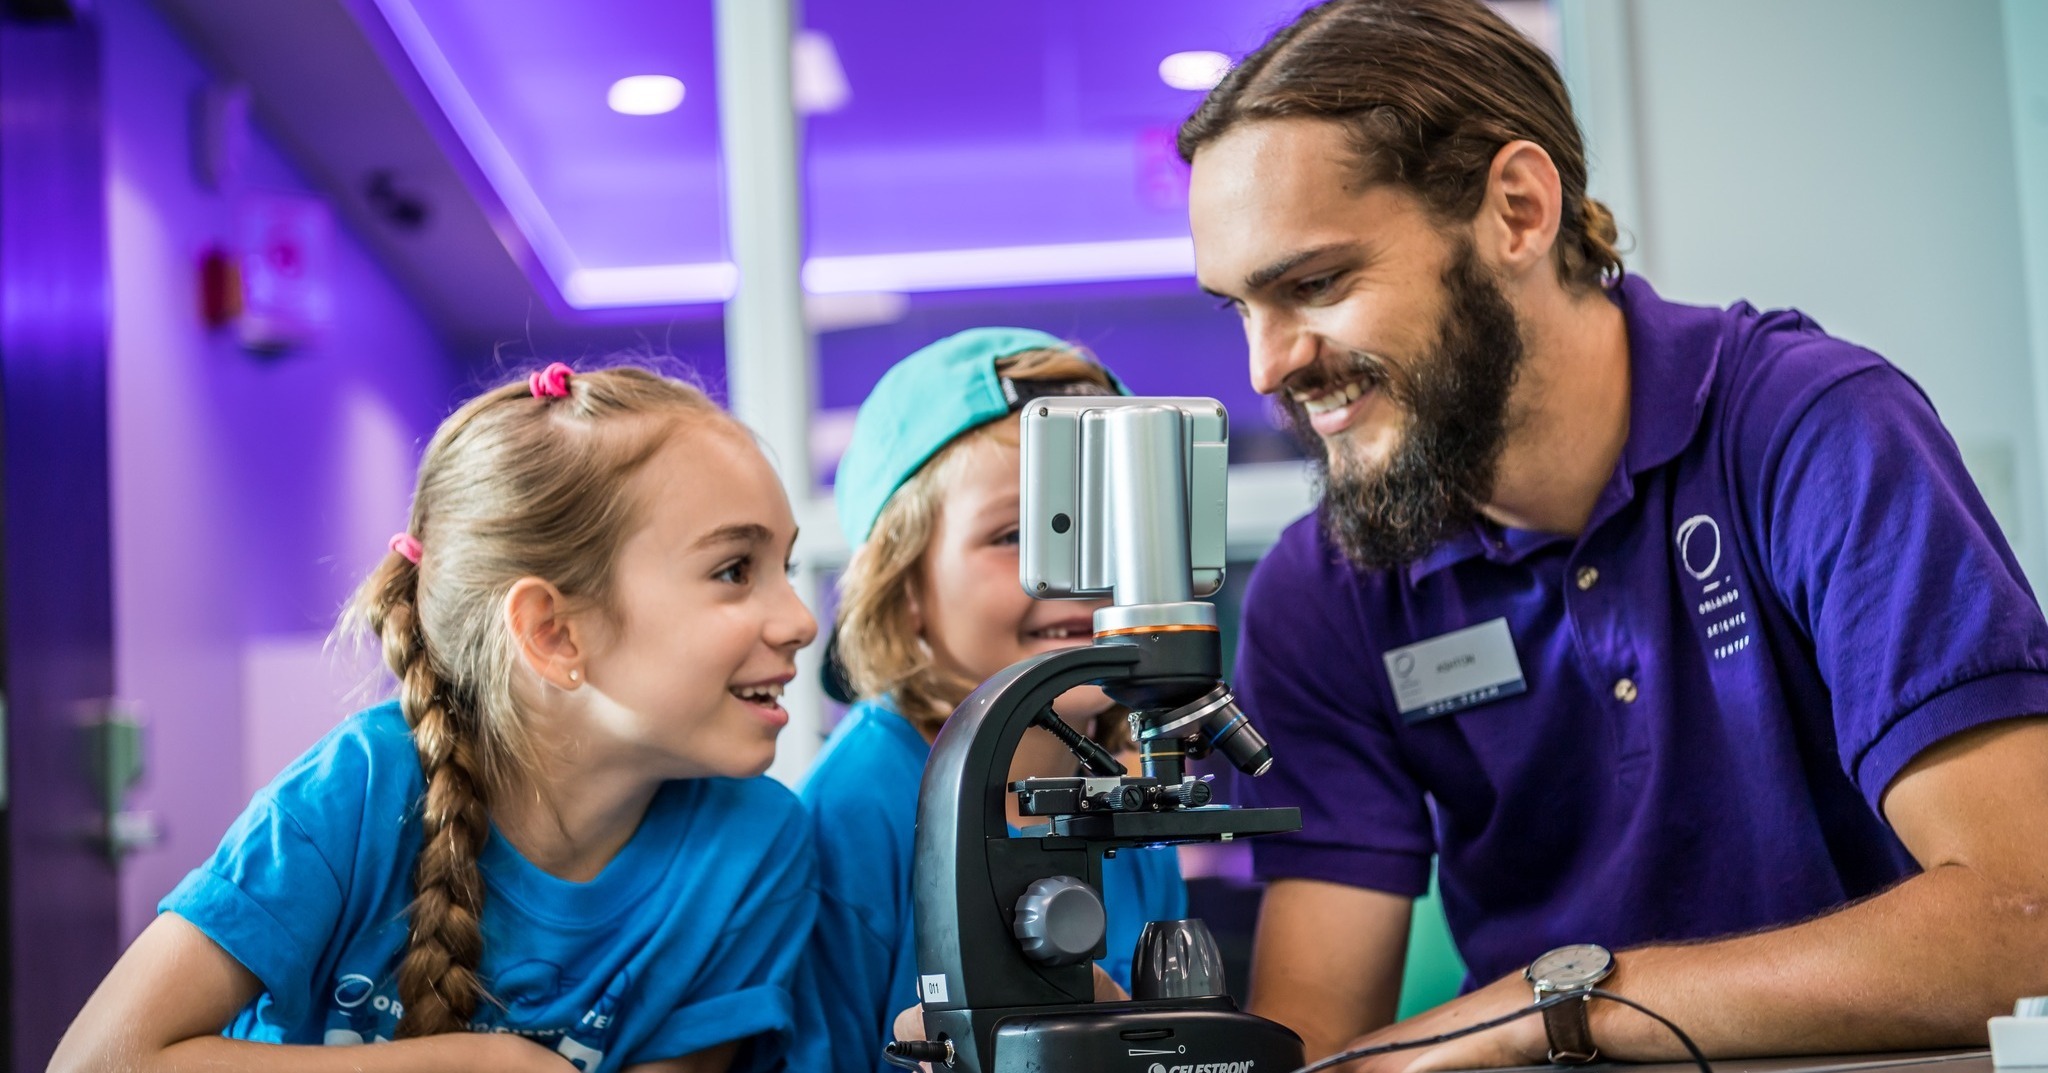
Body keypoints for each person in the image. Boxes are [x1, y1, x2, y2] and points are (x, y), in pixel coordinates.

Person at [1178, 0, 2048, 1069]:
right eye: (1238, 308)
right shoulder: (1324, 587)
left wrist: (1568, 1000)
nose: (1267, 366)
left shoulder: (1810, 433)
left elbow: (2023, 923)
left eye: (1313, 284)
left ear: (1516, 209)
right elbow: (1323, 1044)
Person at [50, 363, 821, 1073]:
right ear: (552, 633)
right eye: (732, 570)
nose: (800, 620)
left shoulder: (759, 849)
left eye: (784, 566)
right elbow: (97, 1061)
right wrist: (480, 1064)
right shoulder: (355, 788)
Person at [800, 328, 1188, 1073]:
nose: (1077, 569)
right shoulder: (854, 811)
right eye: (1018, 533)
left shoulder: (1132, 807)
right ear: (903, 584)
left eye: (1110, 523)